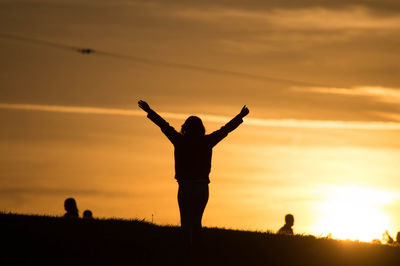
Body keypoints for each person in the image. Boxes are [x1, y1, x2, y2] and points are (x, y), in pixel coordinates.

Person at [138, 100, 249, 254]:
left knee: (186, 221)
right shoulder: (207, 141)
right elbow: (225, 130)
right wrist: (240, 116)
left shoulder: (180, 140)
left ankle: (187, 251)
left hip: (185, 187)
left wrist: (149, 111)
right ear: (201, 129)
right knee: (197, 221)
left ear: (185, 128)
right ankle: (197, 251)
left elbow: (164, 125)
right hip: (202, 187)